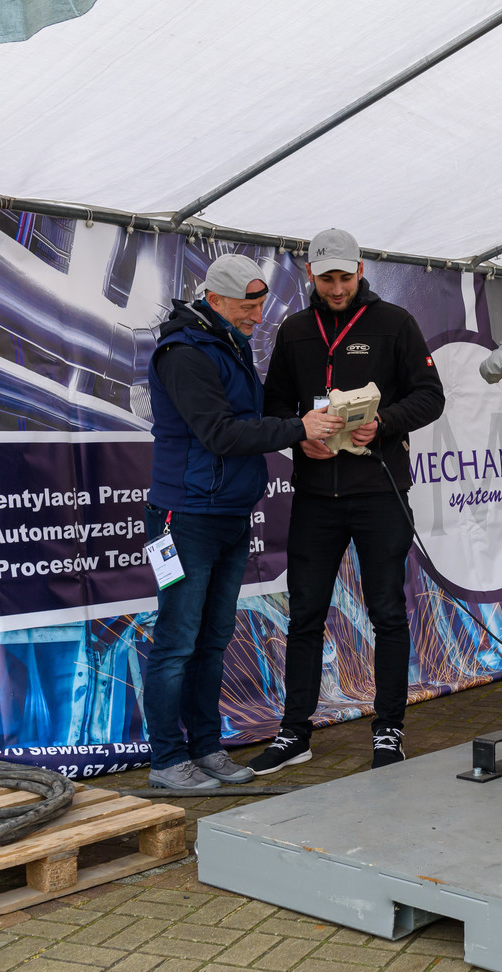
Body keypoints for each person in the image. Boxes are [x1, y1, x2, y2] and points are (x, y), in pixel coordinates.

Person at [251, 229, 445, 773]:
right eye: (326, 279)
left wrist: (384, 422)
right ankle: (296, 733)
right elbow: (273, 405)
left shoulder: (395, 323)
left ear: (361, 270)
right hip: (316, 497)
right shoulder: (294, 331)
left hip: (380, 493)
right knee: (305, 615)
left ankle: (389, 729)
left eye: (344, 277)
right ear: (309, 274)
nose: (336, 289)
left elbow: (431, 397)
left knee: (387, 613)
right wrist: (298, 435)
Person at [141, 254, 310, 790]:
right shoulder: (183, 353)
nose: (257, 316)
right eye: (247, 306)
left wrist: (303, 428)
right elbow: (220, 433)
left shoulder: (228, 343)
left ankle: (206, 747)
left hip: (229, 514)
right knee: (176, 642)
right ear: (213, 300)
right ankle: (167, 761)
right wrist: (298, 429)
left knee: (213, 640)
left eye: (261, 304)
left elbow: (249, 422)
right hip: (184, 518)